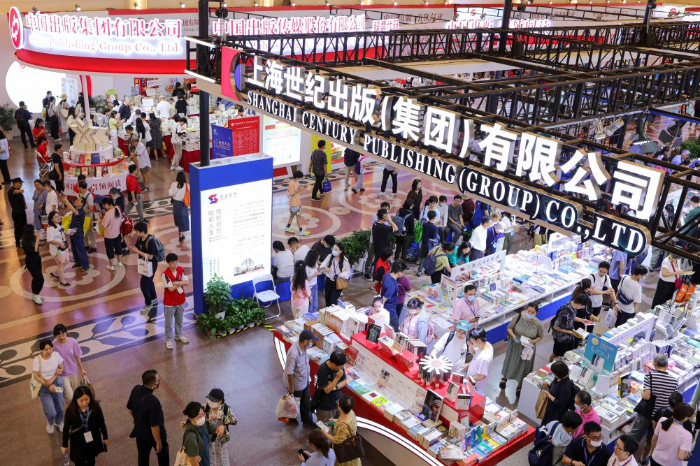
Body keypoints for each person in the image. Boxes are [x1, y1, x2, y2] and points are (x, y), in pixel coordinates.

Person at [629, 353, 679, 461]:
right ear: (666, 365)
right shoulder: (674, 381)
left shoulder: (650, 376)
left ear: (655, 363)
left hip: (646, 413)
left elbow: (647, 396)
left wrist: (641, 392)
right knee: (652, 439)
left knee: (634, 437)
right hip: (660, 416)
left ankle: (626, 457)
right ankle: (643, 459)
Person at [500, 302, 544, 397]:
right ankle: (504, 378)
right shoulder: (518, 317)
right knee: (510, 361)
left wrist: (532, 341)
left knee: (524, 366)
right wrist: (514, 336)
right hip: (515, 346)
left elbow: (540, 336)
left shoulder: (538, 323)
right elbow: (509, 328)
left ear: (536, 313)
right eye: (529, 311)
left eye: (533, 312)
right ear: (526, 310)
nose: (530, 313)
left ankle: (519, 385)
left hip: (528, 348)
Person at [127, 369, 169, 466]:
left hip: (140, 433)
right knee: (163, 457)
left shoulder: (136, 389)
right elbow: (154, 426)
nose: (159, 381)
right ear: (154, 385)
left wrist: (135, 418)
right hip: (153, 435)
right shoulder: (154, 402)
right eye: (158, 380)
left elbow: (130, 408)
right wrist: (158, 442)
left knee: (143, 457)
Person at [61, 385, 109, 466]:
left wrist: (105, 436)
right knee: (79, 461)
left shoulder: (95, 406)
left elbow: (101, 422)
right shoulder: (70, 411)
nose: (84, 403)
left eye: (86, 399)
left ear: (90, 397)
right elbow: (66, 428)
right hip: (77, 441)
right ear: (76, 400)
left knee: (91, 461)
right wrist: (64, 444)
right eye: (81, 400)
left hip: (92, 438)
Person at [284, 329, 317, 427]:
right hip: (296, 385)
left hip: (304, 381)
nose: (312, 343)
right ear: (305, 342)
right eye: (311, 341)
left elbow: (303, 359)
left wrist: (312, 359)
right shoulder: (294, 354)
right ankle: (290, 418)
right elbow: (289, 372)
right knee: (293, 403)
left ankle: (307, 421)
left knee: (306, 402)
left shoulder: (303, 347)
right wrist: (291, 387)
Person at [33, 339, 65, 434]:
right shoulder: (37, 360)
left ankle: (59, 422)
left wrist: (56, 374)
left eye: (50, 348)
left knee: (60, 406)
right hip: (44, 387)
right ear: (41, 350)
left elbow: (61, 367)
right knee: (51, 412)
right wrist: (48, 384)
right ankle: (50, 422)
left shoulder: (56, 355)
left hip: (57, 383)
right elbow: (36, 376)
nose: (49, 351)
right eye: (46, 349)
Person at [131, 221, 160, 321]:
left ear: (142, 231)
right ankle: (154, 298)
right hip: (143, 264)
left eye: (136, 231)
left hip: (151, 265)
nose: (135, 233)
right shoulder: (139, 238)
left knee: (144, 285)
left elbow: (151, 256)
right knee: (149, 282)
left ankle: (148, 303)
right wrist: (134, 249)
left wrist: (137, 251)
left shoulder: (150, 241)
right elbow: (137, 247)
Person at [181, 401, 225, 466]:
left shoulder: (203, 424)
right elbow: (193, 461)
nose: (202, 418)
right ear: (191, 418)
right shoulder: (191, 437)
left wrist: (221, 427)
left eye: (203, 414)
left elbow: (214, 429)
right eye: (199, 416)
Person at [321, 395, 359, 466]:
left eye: (338, 402)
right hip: (351, 442)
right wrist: (335, 420)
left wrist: (324, 433)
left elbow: (336, 440)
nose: (337, 402)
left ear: (340, 408)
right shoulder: (351, 412)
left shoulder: (343, 426)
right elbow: (343, 419)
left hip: (344, 449)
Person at [162, 253, 189, 350]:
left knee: (179, 320)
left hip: (180, 300)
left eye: (176, 262)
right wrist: (181, 283)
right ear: (168, 263)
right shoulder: (164, 274)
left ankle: (179, 335)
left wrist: (175, 283)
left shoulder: (181, 269)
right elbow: (170, 289)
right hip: (169, 302)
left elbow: (187, 282)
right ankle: (168, 339)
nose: (175, 264)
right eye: (173, 262)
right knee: (168, 322)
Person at [52, 324, 86, 402]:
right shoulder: (54, 345)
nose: (61, 337)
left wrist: (82, 369)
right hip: (62, 375)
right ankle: (72, 407)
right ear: (55, 336)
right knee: (70, 397)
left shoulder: (72, 341)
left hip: (73, 372)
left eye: (63, 334)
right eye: (58, 335)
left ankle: (75, 407)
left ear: (66, 332)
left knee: (75, 394)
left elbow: (77, 356)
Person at [550, 294, 589, 361]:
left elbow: (572, 317)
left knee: (566, 353)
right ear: (579, 304)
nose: (582, 307)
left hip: (569, 336)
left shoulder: (573, 307)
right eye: (582, 306)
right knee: (556, 354)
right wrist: (570, 332)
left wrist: (582, 320)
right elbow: (556, 327)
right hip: (561, 338)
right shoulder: (565, 311)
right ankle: (550, 364)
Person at [203, 388, 236, 466]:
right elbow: (197, 416)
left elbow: (234, 420)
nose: (210, 402)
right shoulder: (205, 407)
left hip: (220, 438)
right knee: (209, 455)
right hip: (209, 437)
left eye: (213, 401)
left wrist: (222, 419)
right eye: (210, 399)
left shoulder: (225, 409)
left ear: (220, 401)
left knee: (221, 456)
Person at [541, 361, 578, 427]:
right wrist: (548, 386)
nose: (553, 374)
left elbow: (561, 404)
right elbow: (554, 389)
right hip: (550, 407)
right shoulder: (557, 378)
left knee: (548, 427)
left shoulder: (565, 387)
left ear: (558, 374)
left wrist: (548, 395)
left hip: (556, 413)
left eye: (554, 373)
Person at [61, 193, 90, 271]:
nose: (76, 201)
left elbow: (73, 210)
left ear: (82, 204)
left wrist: (66, 201)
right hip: (72, 232)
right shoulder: (76, 210)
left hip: (78, 233)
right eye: (76, 200)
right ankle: (78, 262)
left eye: (78, 200)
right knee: (74, 248)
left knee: (80, 249)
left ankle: (85, 265)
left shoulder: (81, 211)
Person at [315, 351, 348, 421]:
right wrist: (337, 378)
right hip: (325, 405)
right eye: (340, 366)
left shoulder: (339, 366)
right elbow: (326, 390)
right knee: (325, 425)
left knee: (337, 423)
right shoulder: (323, 370)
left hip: (337, 402)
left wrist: (334, 387)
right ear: (333, 364)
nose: (342, 368)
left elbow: (345, 381)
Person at [364, 201, 391, 279]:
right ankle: (366, 272)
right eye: (384, 208)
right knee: (371, 256)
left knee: (380, 258)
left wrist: (388, 220)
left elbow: (389, 228)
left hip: (382, 242)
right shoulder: (375, 217)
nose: (386, 211)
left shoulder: (388, 217)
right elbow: (382, 227)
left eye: (387, 209)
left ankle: (378, 272)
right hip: (374, 241)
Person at [99, 197, 124, 270]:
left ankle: (111, 266)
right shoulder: (117, 208)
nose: (104, 206)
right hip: (117, 233)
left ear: (107, 204)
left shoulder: (108, 214)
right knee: (118, 248)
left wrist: (101, 218)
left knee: (110, 250)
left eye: (104, 205)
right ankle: (119, 262)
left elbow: (104, 225)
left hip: (109, 236)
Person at [46, 211, 70, 287]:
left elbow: (62, 234)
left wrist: (68, 233)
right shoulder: (50, 228)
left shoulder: (59, 225)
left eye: (59, 216)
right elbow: (50, 240)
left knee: (66, 261)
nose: (58, 218)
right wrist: (59, 243)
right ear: (51, 219)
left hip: (63, 247)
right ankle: (62, 281)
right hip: (58, 250)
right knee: (61, 264)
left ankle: (55, 273)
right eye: (56, 217)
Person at [22, 225, 44, 304]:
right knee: (40, 278)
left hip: (37, 259)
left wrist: (40, 241)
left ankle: (35, 293)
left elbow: (37, 247)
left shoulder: (32, 238)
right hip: (31, 261)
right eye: (33, 230)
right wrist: (38, 238)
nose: (35, 231)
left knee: (36, 278)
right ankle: (35, 294)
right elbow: (34, 250)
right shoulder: (25, 242)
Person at [381, 261, 406, 331]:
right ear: (399, 272)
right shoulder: (392, 285)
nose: (404, 274)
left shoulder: (387, 274)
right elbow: (384, 299)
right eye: (403, 272)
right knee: (396, 327)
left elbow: (382, 288)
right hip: (389, 308)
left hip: (388, 306)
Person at [168, 171, 190, 243]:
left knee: (177, 218)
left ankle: (181, 234)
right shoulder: (186, 185)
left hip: (176, 203)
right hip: (183, 204)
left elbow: (170, 193)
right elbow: (190, 192)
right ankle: (181, 235)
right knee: (183, 218)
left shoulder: (173, 184)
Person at [417, 210, 440, 276]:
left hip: (424, 241)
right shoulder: (434, 227)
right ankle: (428, 271)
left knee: (422, 257)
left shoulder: (424, 224)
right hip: (431, 243)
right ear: (434, 217)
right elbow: (434, 236)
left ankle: (419, 271)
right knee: (430, 257)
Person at [286, 170, 309, 235]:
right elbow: (292, 194)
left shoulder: (296, 181)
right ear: (297, 177)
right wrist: (302, 189)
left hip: (295, 202)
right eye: (300, 177)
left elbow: (299, 188)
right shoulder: (291, 183)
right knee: (298, 217)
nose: (300, 178)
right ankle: (301, 231)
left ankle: (287, 227)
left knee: (292, 216)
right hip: (295, 203)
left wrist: (303, 187)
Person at [77, 181, 97, 253]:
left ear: (81, 187)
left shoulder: (89, 196)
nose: (78, 188)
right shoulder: (80, 193)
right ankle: (86, 245)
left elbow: (91, 209)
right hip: (82, 216)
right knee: (83, 231)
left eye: (78, 187)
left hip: (88, 216)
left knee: (90, 231)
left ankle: (94, 246)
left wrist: (83, 212)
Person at [9, 177, 27, 247]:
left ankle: (24, 241)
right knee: (18, 228)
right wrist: (21, 191)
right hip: (17, 213)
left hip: (22, 211)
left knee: (24, 226)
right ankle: (18, 242)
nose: (21, 185)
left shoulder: (18, 190)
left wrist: (24, 204)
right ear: (15, 183)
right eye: (20, 183)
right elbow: (15, 192)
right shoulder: (11, 191)